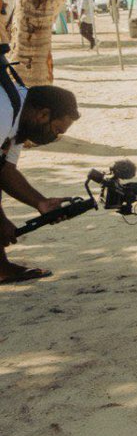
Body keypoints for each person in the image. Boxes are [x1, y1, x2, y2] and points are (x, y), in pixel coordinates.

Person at [0, 72, 80, 285]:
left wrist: (40, 202)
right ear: (44, 115)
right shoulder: (4, 112)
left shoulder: (21, 115)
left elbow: (5, 169)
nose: (53, 138)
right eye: (56, 130)